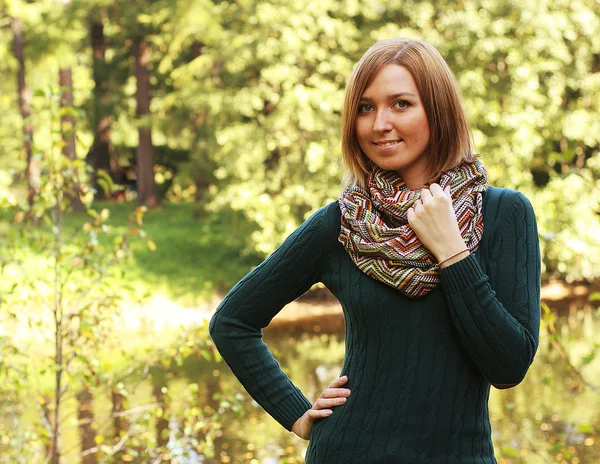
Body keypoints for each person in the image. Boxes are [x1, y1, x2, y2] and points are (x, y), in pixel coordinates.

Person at [209, 38, 541, 463]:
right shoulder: (344, 223)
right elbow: (232, 321)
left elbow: (508, 367)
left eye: (401, 104)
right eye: (365, 108)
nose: (379, 123)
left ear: (438, 110)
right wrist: (296, 413)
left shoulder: (503, 214)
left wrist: (452, 252)